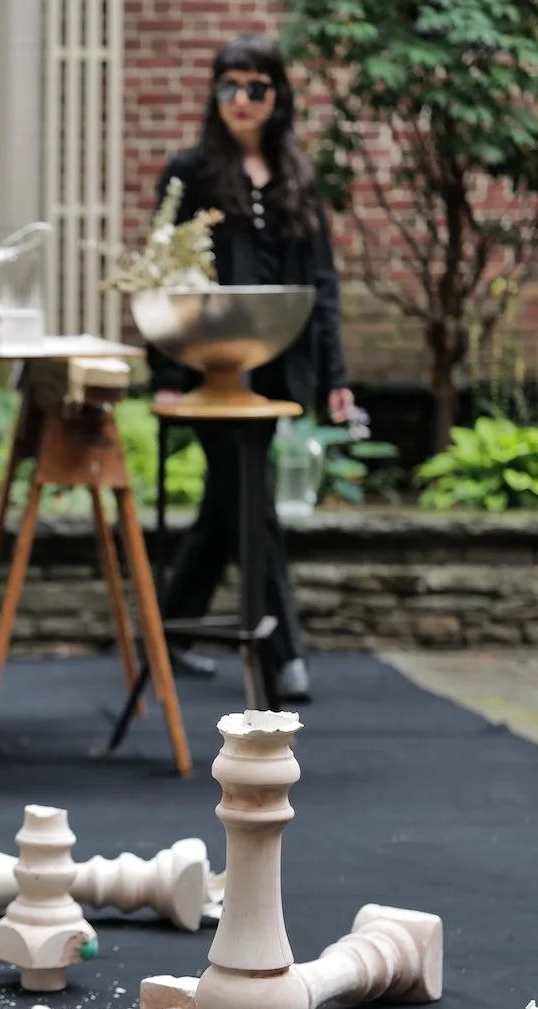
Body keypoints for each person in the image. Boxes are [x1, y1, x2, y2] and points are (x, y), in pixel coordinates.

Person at [148, 33, 352, 704]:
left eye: (255, 87)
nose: (241, 100)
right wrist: (168, 379)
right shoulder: (191, 171)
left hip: (277, 371)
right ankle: (283, 652)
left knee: (228, 503)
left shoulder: (297, 173)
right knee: (251, 500)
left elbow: (320, 282)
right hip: (210, 370)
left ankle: (166, 636)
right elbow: (164, 277)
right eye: (228, 86)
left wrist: (335, 376)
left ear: (277, 95)